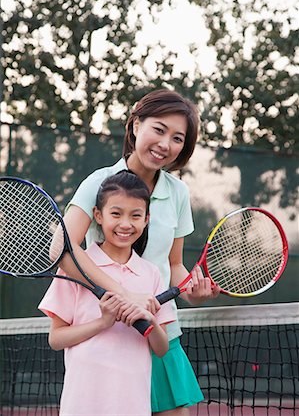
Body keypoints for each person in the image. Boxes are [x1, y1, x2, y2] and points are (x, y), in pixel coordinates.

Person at [60, 88, 220, 415]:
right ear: (135, 126)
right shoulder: (98, 182)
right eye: (158, 130)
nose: (165, 144)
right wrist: (123, 295)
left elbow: (173, 265)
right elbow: (62, 251)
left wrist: (192, 293)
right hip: (107, 333)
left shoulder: (177, 192)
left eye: (177, 138)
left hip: (160, 331)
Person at [38, 171, 175, 416]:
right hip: (81, 405)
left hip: (133, 405)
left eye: (135, 215)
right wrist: (102, 322)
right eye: (116, 213)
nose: (125, 224)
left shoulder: (152, 274)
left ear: (147, 219)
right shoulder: (76, 270)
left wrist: (151, 319)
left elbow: (162, 348)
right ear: (98, 216)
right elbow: (56, 339)